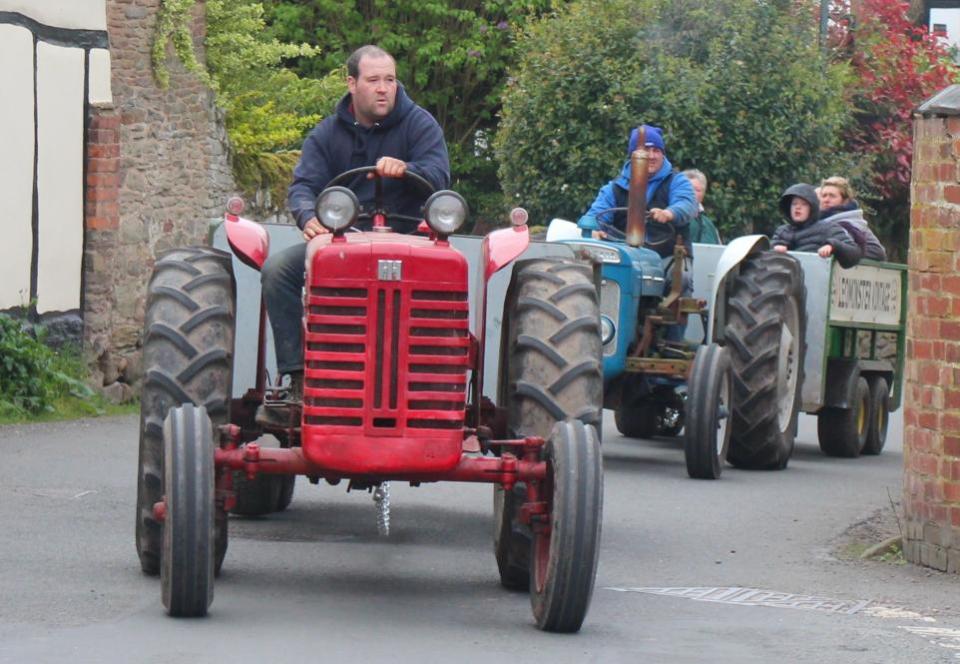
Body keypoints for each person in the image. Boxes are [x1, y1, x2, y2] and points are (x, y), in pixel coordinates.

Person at [258, 45, 450, 426]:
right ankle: (298, 378)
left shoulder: (420, 125)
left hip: (408, 240)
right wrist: (308, 216)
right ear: (352, 84)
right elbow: (303, 186)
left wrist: (407, 168)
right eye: (374, 80)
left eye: (390, 80)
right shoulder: (327, 134)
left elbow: (440, 178)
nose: (384, 89)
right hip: (343, 242)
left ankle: (434, 385)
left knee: (447, 276)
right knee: (278, 269)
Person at [578, 124, 698, 259]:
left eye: (656, 150)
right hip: (625, 257)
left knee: (681, 277)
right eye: (646, 150)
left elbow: (687, 204)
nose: (651, 156)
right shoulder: (614, 189)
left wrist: (668, 213)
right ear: (633, 156)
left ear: (663, 154)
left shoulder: (677, 181)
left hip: (667, 258)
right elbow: (595, 217)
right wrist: (594, 231)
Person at [771, 183, 861, 268]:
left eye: (804, 204)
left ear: (812, 208)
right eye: (794, 204)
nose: (798, 207)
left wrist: (833, 246)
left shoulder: (828, 228)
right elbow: (765, 259)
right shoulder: (782, 231)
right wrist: (774, 249)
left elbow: (854, 254)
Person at [817, 176, 887, 261]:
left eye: (832, 196)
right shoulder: (821, 220)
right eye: (824, 196)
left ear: (844, 201)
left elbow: (878, 253)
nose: (826, 200)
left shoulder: (849, 223)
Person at [682, 169, 722, 245]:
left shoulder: (709, 224)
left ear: (703, 194)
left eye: (697, 190)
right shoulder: (671, 219)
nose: (692, 193)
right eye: (689, 188)